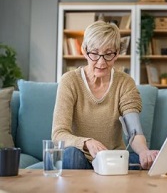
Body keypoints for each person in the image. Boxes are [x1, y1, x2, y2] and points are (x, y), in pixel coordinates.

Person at [52, 20, 158, 170]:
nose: (101, 62)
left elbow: (134, 132)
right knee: (71, 154)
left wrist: (144, 152)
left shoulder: (125, 83)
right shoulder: (70, 81)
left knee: (140, 161)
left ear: (116, 54)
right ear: (84, 50)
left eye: (108, 54)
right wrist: (87, 142)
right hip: (80, 156)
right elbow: (58, 134)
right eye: (94, 53)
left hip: (112, 157)